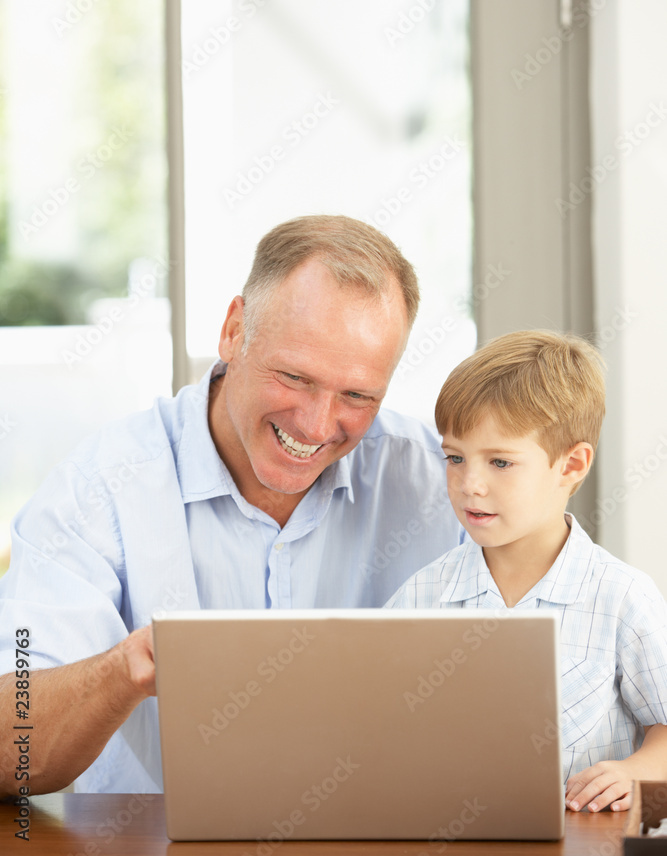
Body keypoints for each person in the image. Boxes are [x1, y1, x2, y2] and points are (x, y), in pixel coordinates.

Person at [0, 215, 463, 796]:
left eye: (357, 395)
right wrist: (127, 668)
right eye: (294, 377)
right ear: (234, 330)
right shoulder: (98, 487)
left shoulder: (441, 485)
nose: (318, 426)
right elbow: (11, 751)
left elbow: (578, 643)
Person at [387, 330, 667, 814]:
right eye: (454, 457)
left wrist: (632, 771)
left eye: (500, 462)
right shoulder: (422, 595)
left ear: (571, 465)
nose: (469, 485)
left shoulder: (621, 597)